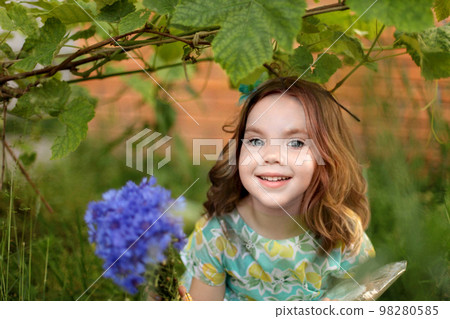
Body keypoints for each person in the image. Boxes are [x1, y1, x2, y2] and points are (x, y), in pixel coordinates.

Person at [179, 76, 376, 301]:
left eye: (296, 143)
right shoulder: (218, 234)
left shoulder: (344, 235)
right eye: (255, 141)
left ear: (327, 156)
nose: (271, 156)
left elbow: (363, 297)